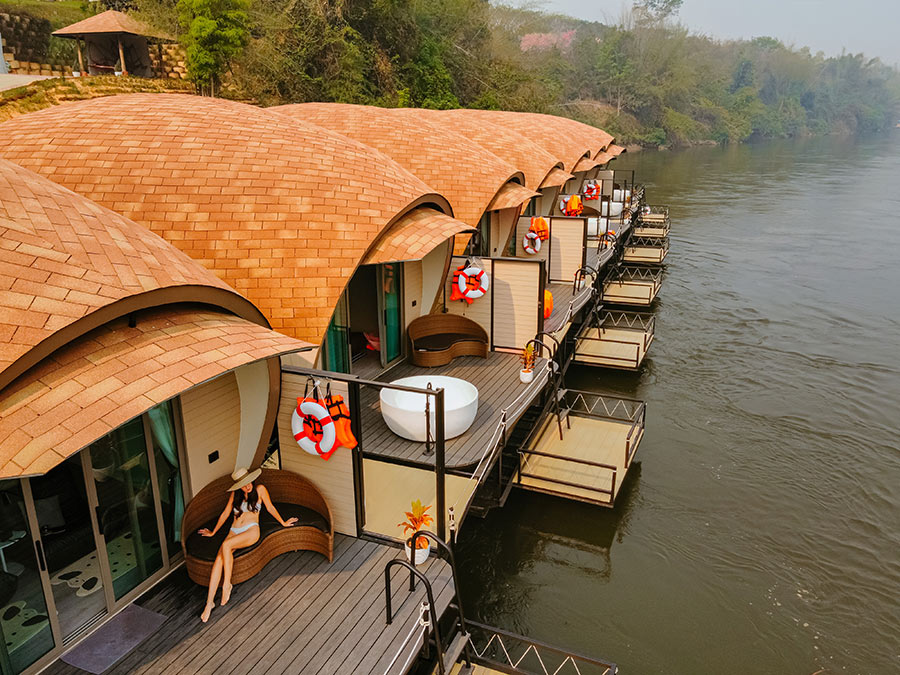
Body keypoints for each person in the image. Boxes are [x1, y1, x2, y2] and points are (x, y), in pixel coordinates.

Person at [198, 467, 298, 622]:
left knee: (226, 546)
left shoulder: (260, 490)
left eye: (248, 482)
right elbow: (225, 513)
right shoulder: (235, 494)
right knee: (218, 561)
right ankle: (209, 603)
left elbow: (270, 507)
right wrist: (213, 532)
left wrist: (283, 522)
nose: (247, 486)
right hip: (233, 531)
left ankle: (227, 584)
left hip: (251, 531)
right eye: (243, 485)